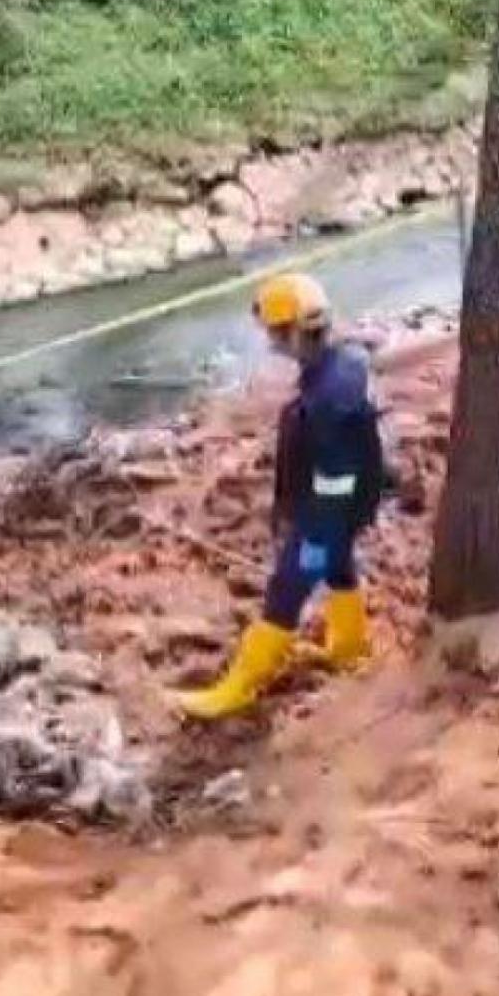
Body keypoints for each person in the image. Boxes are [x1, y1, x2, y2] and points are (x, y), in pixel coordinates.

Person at [178, 272, 388, 719]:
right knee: (339, 566)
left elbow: (336, 475)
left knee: (286, 590)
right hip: (349, 509)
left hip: (329, 513)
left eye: (275, 334)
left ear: (293, 332)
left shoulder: (327, 398)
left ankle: (238, 689)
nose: (272, 344)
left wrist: (313, 531)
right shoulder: (346, 364)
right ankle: (348, 647)